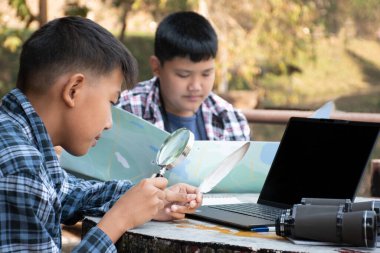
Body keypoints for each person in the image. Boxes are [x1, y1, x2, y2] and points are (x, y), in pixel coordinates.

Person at [0, 16, 202, 252]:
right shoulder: (20, 170)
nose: (109, 123)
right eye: (110, 102)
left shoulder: (20, 139)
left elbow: (65, 192)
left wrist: (144, 200)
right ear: (73, 90)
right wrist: (119, 220)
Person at [118, 11, 251, 141]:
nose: (195, 86)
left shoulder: (230, 120)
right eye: (183, 75)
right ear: (156, 67)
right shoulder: (126, 111)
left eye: (206, 73)